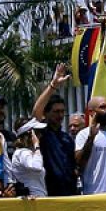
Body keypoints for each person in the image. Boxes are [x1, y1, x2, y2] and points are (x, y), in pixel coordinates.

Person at [32, 65, 80, 196]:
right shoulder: (42, 134)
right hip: (49, 193)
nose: (60, 115)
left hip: (69, 193)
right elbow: (36, 111)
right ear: (46, 113)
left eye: (62, 111)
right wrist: (53, 85)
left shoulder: (67, 138)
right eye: (56, 111)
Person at [75, 93, 106, 195]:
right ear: (91, 112)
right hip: (95, 193)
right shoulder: (83, 134)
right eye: (103, 107)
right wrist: (91, 137)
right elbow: (79, 162)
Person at [8, 118, 47, 197]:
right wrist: (36, 145)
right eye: (37, 133)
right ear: (29, 135)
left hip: (38, 198)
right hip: (31, 199)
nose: (40, 135)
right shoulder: (22, 153)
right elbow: (36, 166)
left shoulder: (28, 152)